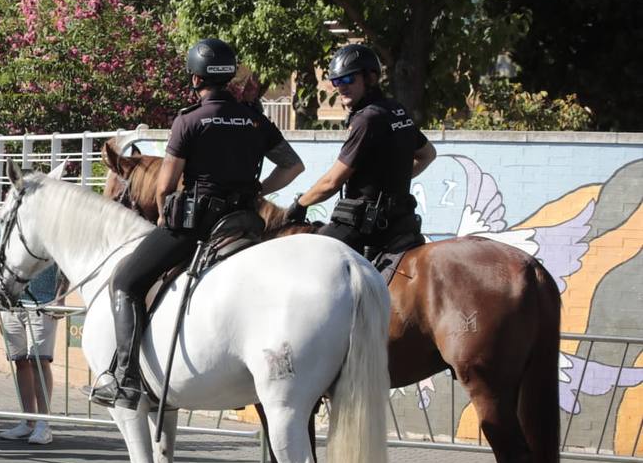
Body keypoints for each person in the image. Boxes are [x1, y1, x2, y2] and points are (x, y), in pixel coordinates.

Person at [86, 38, 304, 409]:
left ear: (195, 80)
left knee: (124, 281)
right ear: (229, 76)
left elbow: (166, 186)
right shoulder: (255, 120)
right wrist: (258, 190)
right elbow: (293, 166)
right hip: (245, 223)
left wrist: (163, 214)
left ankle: (124, 377)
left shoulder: (189, 121)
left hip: (197, 225)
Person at [287, 44, 436, 263]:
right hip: (401, 221)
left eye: (348, 80)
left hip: (367, 226)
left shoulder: (367, 119)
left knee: (305, 259)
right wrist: (393, 182)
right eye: (337, 82)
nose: (341, 87)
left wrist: (300, 204)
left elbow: (332, 182)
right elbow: (428, 154)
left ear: (371, 78)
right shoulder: (395, 110)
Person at [0, 220, 64, 445]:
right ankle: (28, 420)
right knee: (20, 361)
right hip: (10, 303)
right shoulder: (4, 224)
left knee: (40, 362)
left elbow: (64, 265)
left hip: (42, 302)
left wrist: (60, 298)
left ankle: (43, 424)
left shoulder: (50, 225)